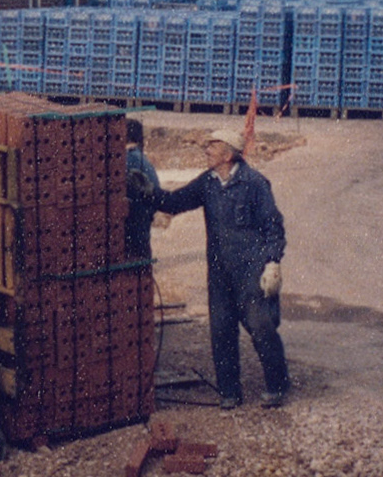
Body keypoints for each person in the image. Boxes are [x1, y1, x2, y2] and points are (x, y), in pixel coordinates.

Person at [156, 126, 290, 409]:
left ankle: (277, 386)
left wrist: (272, 262)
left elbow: (273, 226)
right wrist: (148, 192)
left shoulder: (254, 184)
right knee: (222, 331)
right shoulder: (208, 183)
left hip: (251, 270)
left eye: (212, 147)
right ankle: (230, 393)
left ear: (228, 154)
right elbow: (175, 202)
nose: (207, 151)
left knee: (261, 327)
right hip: (220, 272)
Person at [123, 113, 161, 263]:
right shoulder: (139, 158)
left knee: (136, 262)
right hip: (143, 217)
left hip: (135, 219)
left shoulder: (130, 160)